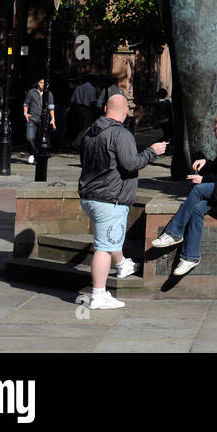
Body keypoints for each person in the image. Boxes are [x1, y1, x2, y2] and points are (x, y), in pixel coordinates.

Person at [77, 93, 167, 310]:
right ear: (127, 112)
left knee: (109, 238)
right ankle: (98, 294)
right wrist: (151, 152)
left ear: (105, 109)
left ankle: (123, 264)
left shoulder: (90, 131)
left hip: (90, 195)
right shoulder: (121, 133)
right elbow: (131, 164)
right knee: (103, 247)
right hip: (110, 198)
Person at [151, 111, 217, 276]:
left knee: (199, 189)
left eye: (216, 127)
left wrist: (203, 180)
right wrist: (206, 162)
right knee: (198, 209)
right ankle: (190, 256)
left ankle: (174, 232)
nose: (213, 131)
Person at [22, 76, 56, 164]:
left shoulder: (49, 94)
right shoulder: (31, 92)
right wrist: (25, 113)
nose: (43, 85)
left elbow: (51, 107)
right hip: (32, 118)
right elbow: (26, 103)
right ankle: (33, 153)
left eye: (44, 83)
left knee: (41, 139)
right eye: (41, 82)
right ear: (38, 83)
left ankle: (36, 155)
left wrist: (53, 119)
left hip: (44, 119)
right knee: (29, 137)